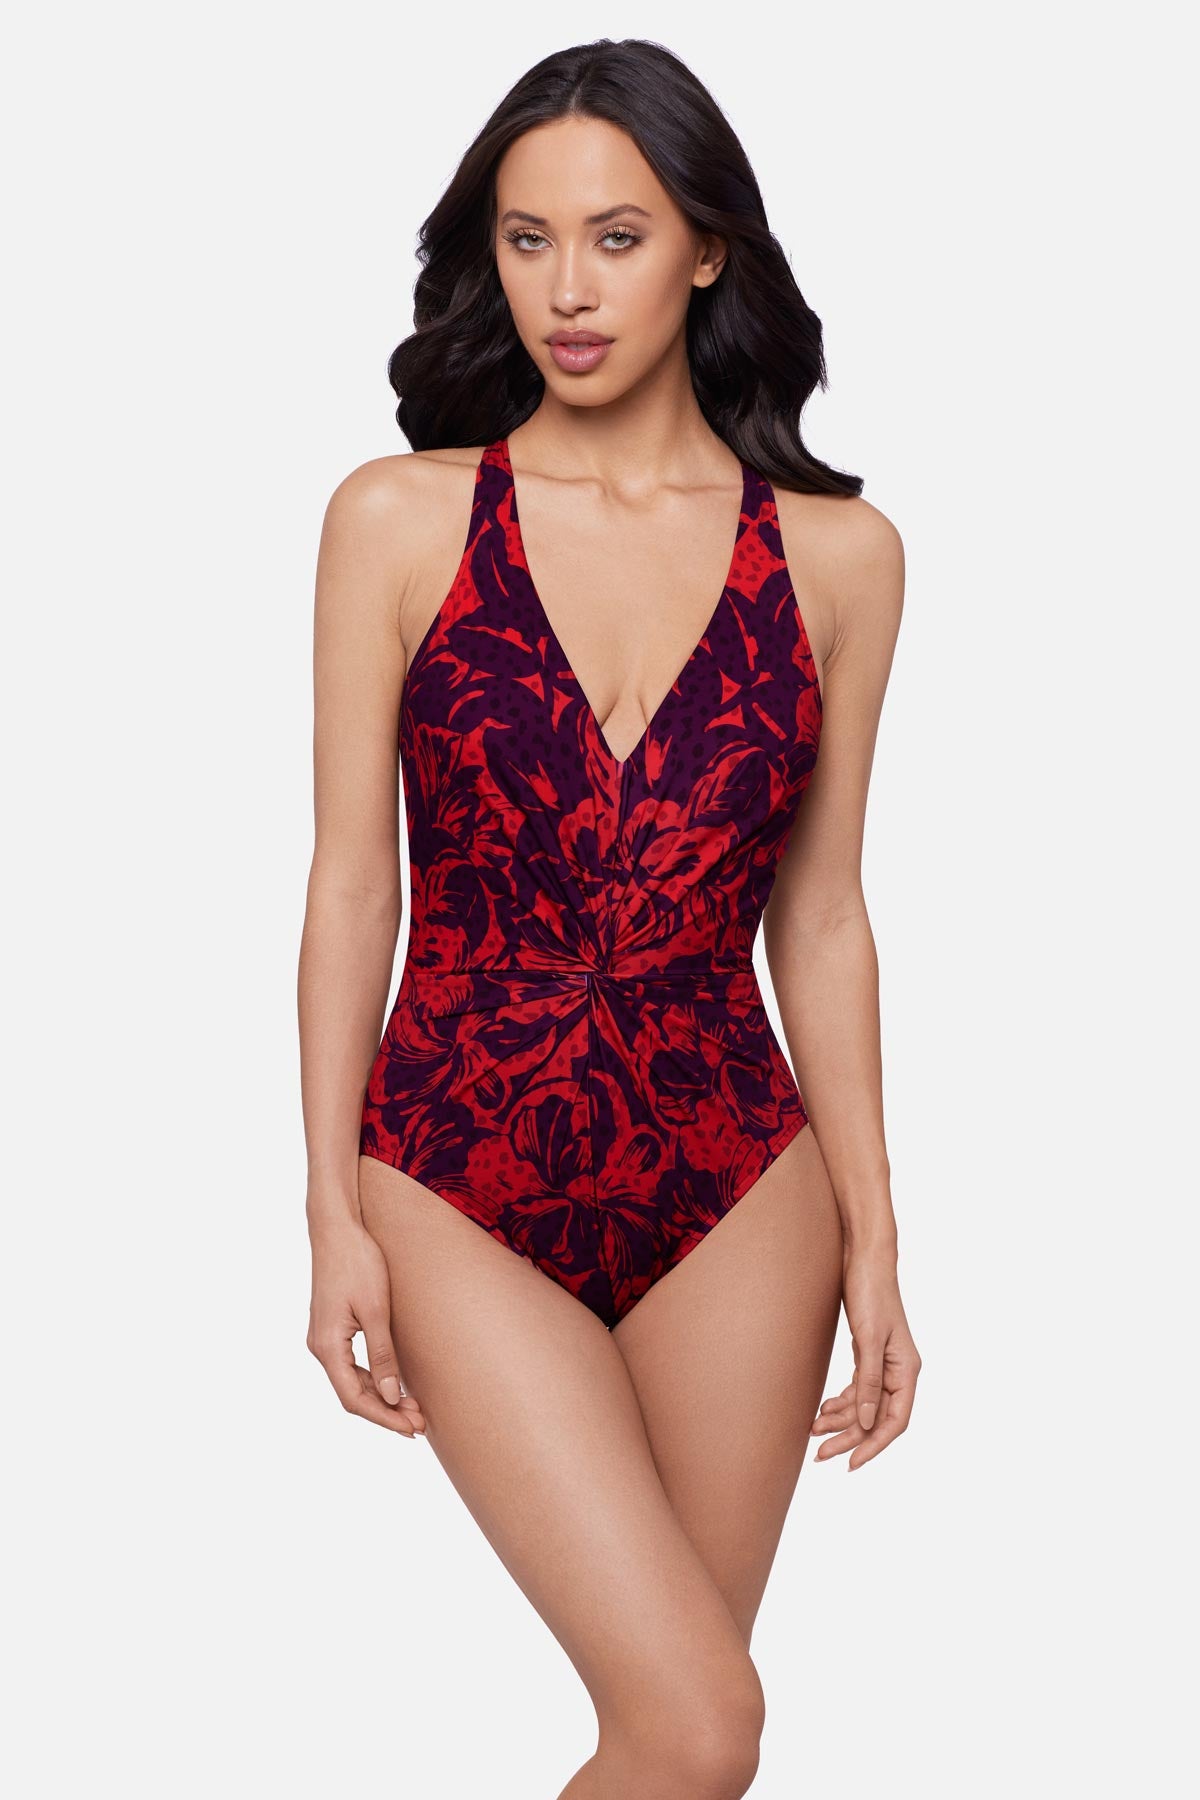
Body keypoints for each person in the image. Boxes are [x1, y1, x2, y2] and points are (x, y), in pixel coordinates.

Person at [298, 36, 920, 1800]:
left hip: (738, 1183)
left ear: (708, 249)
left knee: (680, 1749)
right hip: (451, 1165)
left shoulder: (842, 558)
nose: (567, 290)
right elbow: (351, 882)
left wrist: (878, 1238)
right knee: (702, 1725)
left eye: (618, 237)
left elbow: (824, 918)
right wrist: (328, 1209)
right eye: (527, 240)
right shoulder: (399, 521)